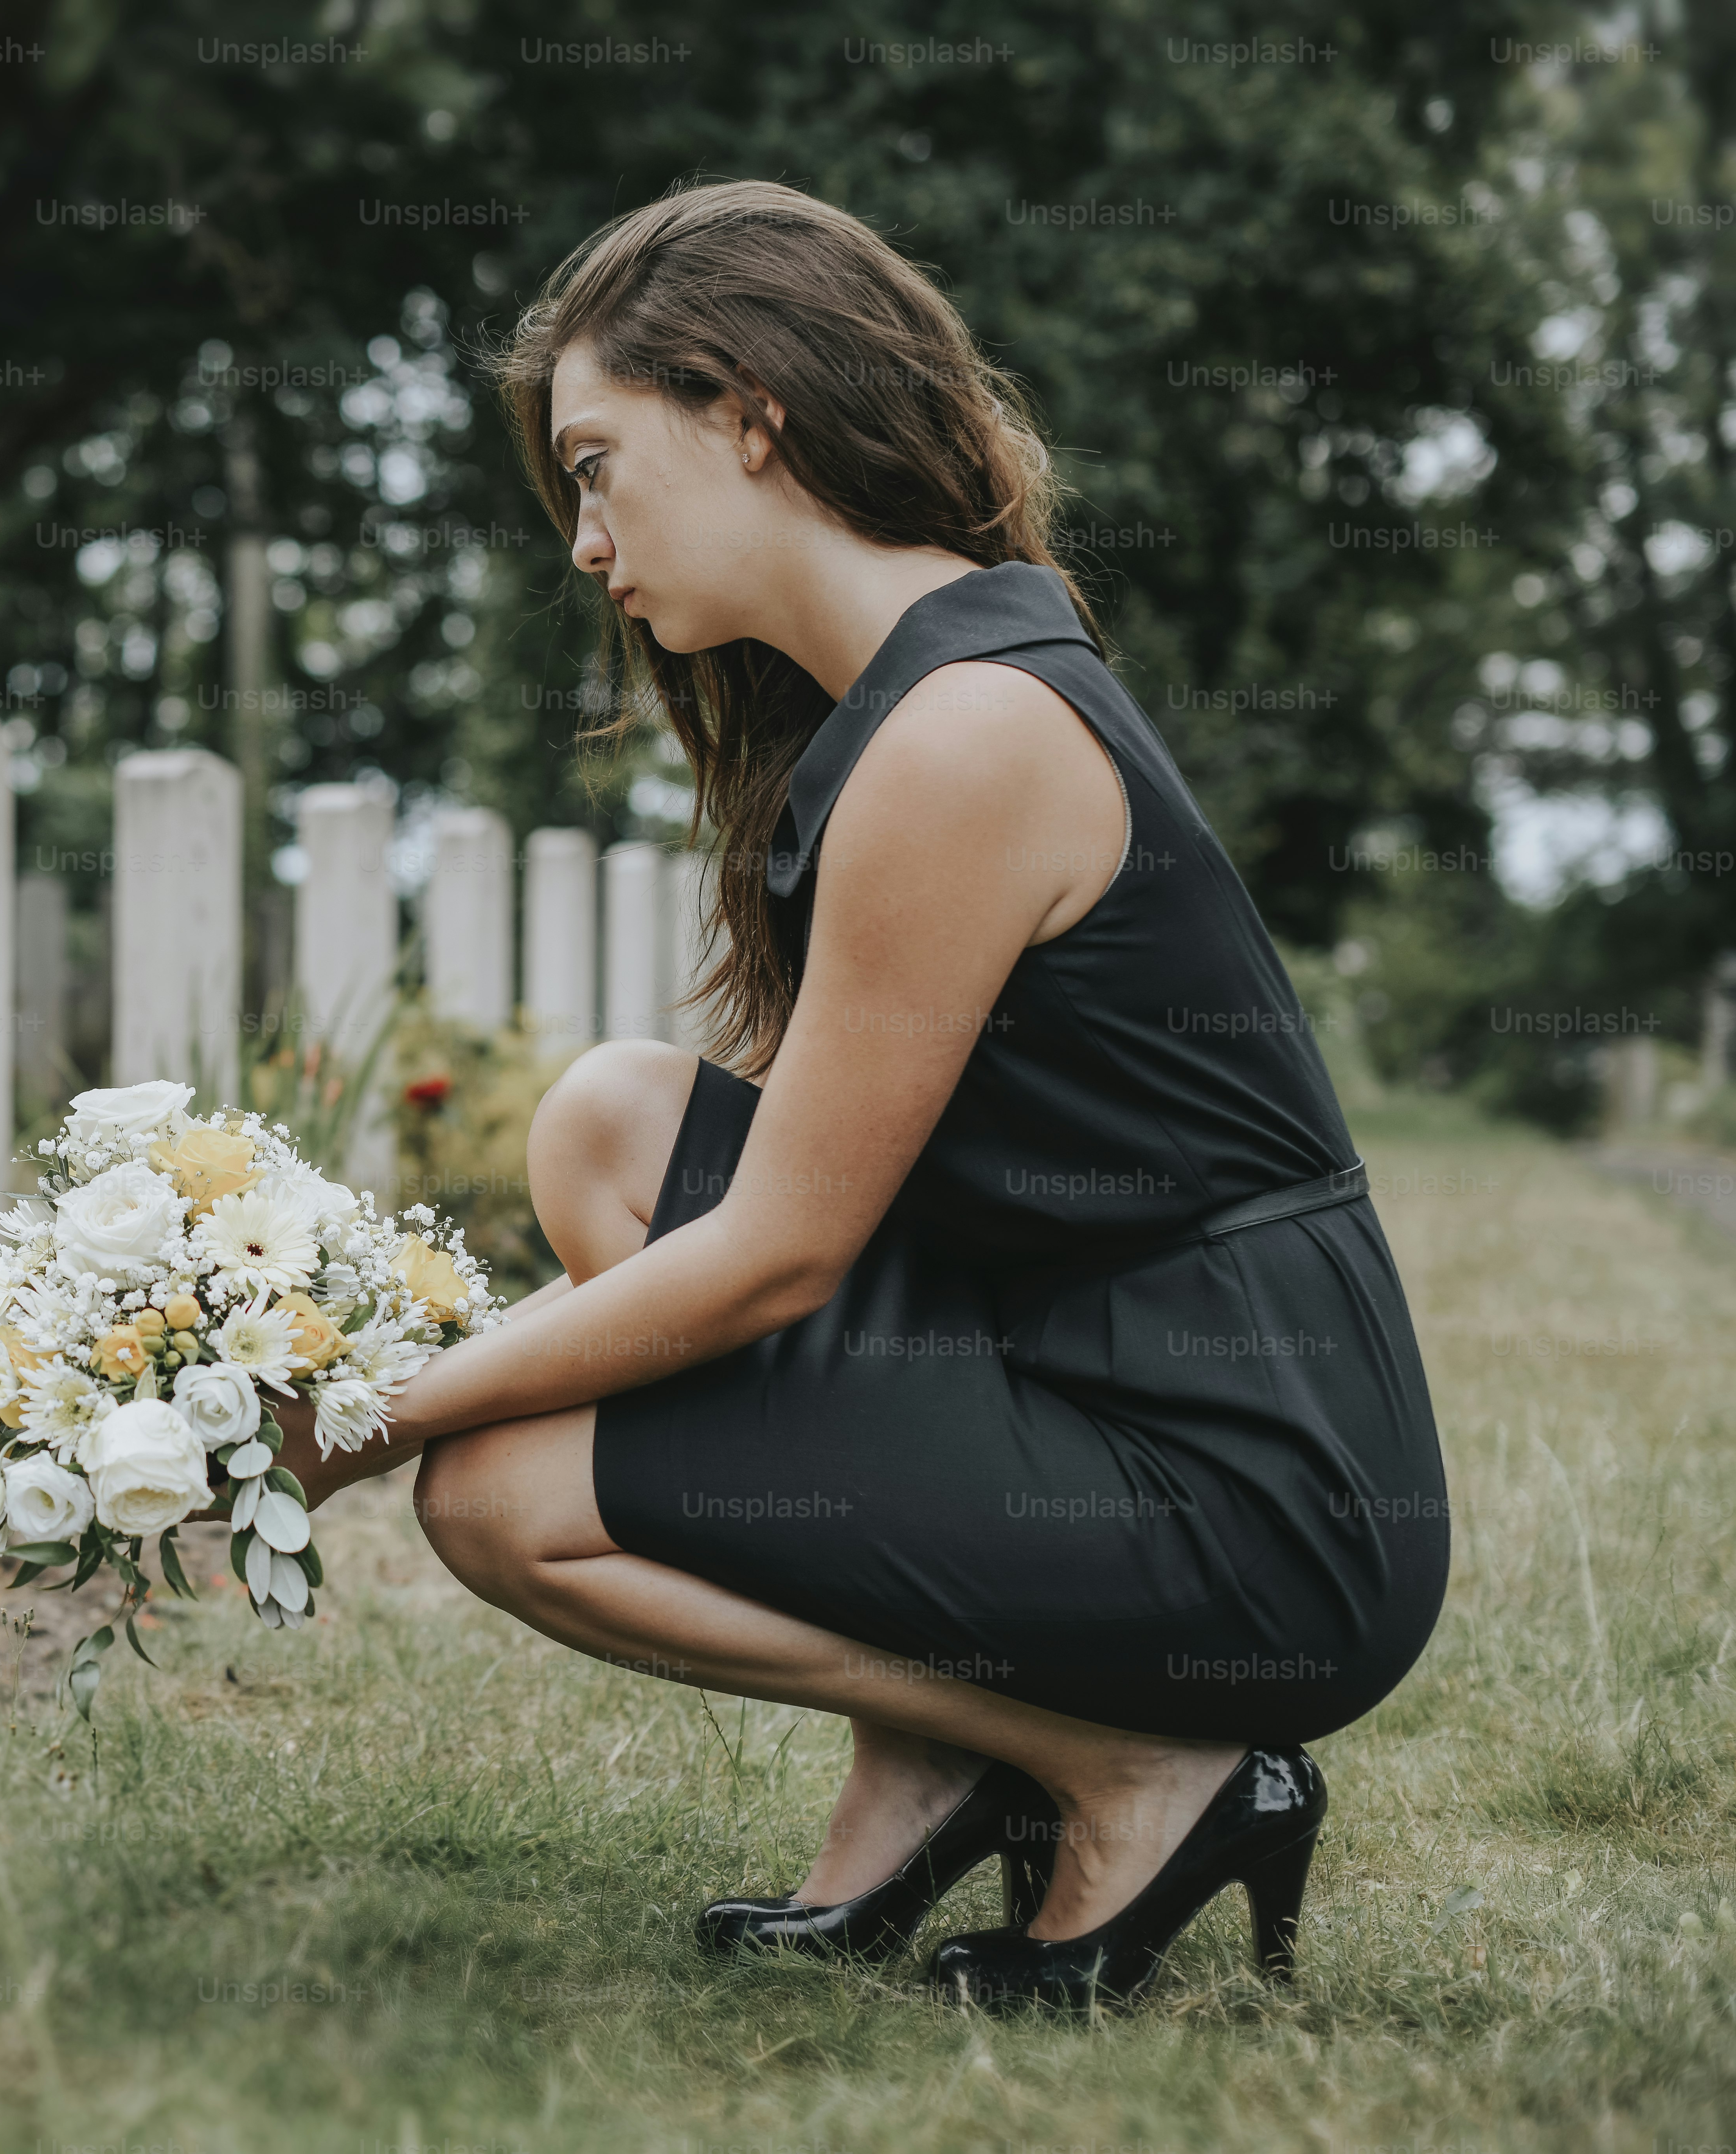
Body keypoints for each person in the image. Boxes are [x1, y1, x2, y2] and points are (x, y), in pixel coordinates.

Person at [270, 179, 1449, 2013]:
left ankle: (1134, 1765)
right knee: (607, 1121)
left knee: (496, 1492)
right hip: (1080, 1362)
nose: (586, 541)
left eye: (597, 465)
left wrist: (379, 1408)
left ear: (751, 412)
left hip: (1256, 1490)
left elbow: (775, 1259)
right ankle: (944, 1760)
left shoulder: (964, 735)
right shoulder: (915, 701)